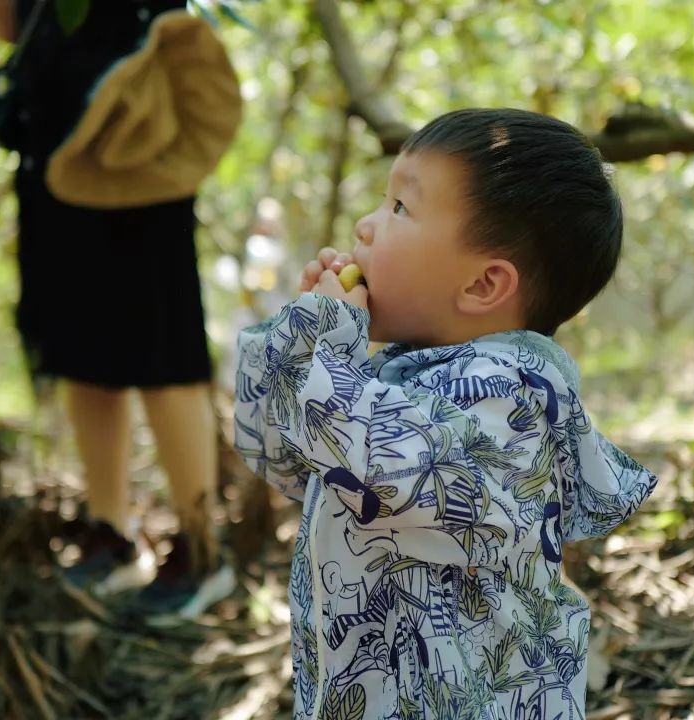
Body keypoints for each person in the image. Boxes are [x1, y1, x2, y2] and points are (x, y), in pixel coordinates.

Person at [234, 109, 658, 719]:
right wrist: (299, 343)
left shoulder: (509, 401)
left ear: (484, 285)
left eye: (401, 209)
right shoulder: (393, 378)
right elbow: (280, 456)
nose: (367, 225)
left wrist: (328, 345)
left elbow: (381, 469)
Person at [0, 0, 238, 617]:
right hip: (56, 140)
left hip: (140, 144)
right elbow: (6, 21)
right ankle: (110, 531)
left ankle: (202, 551)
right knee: (80, 349)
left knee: (162, 351)